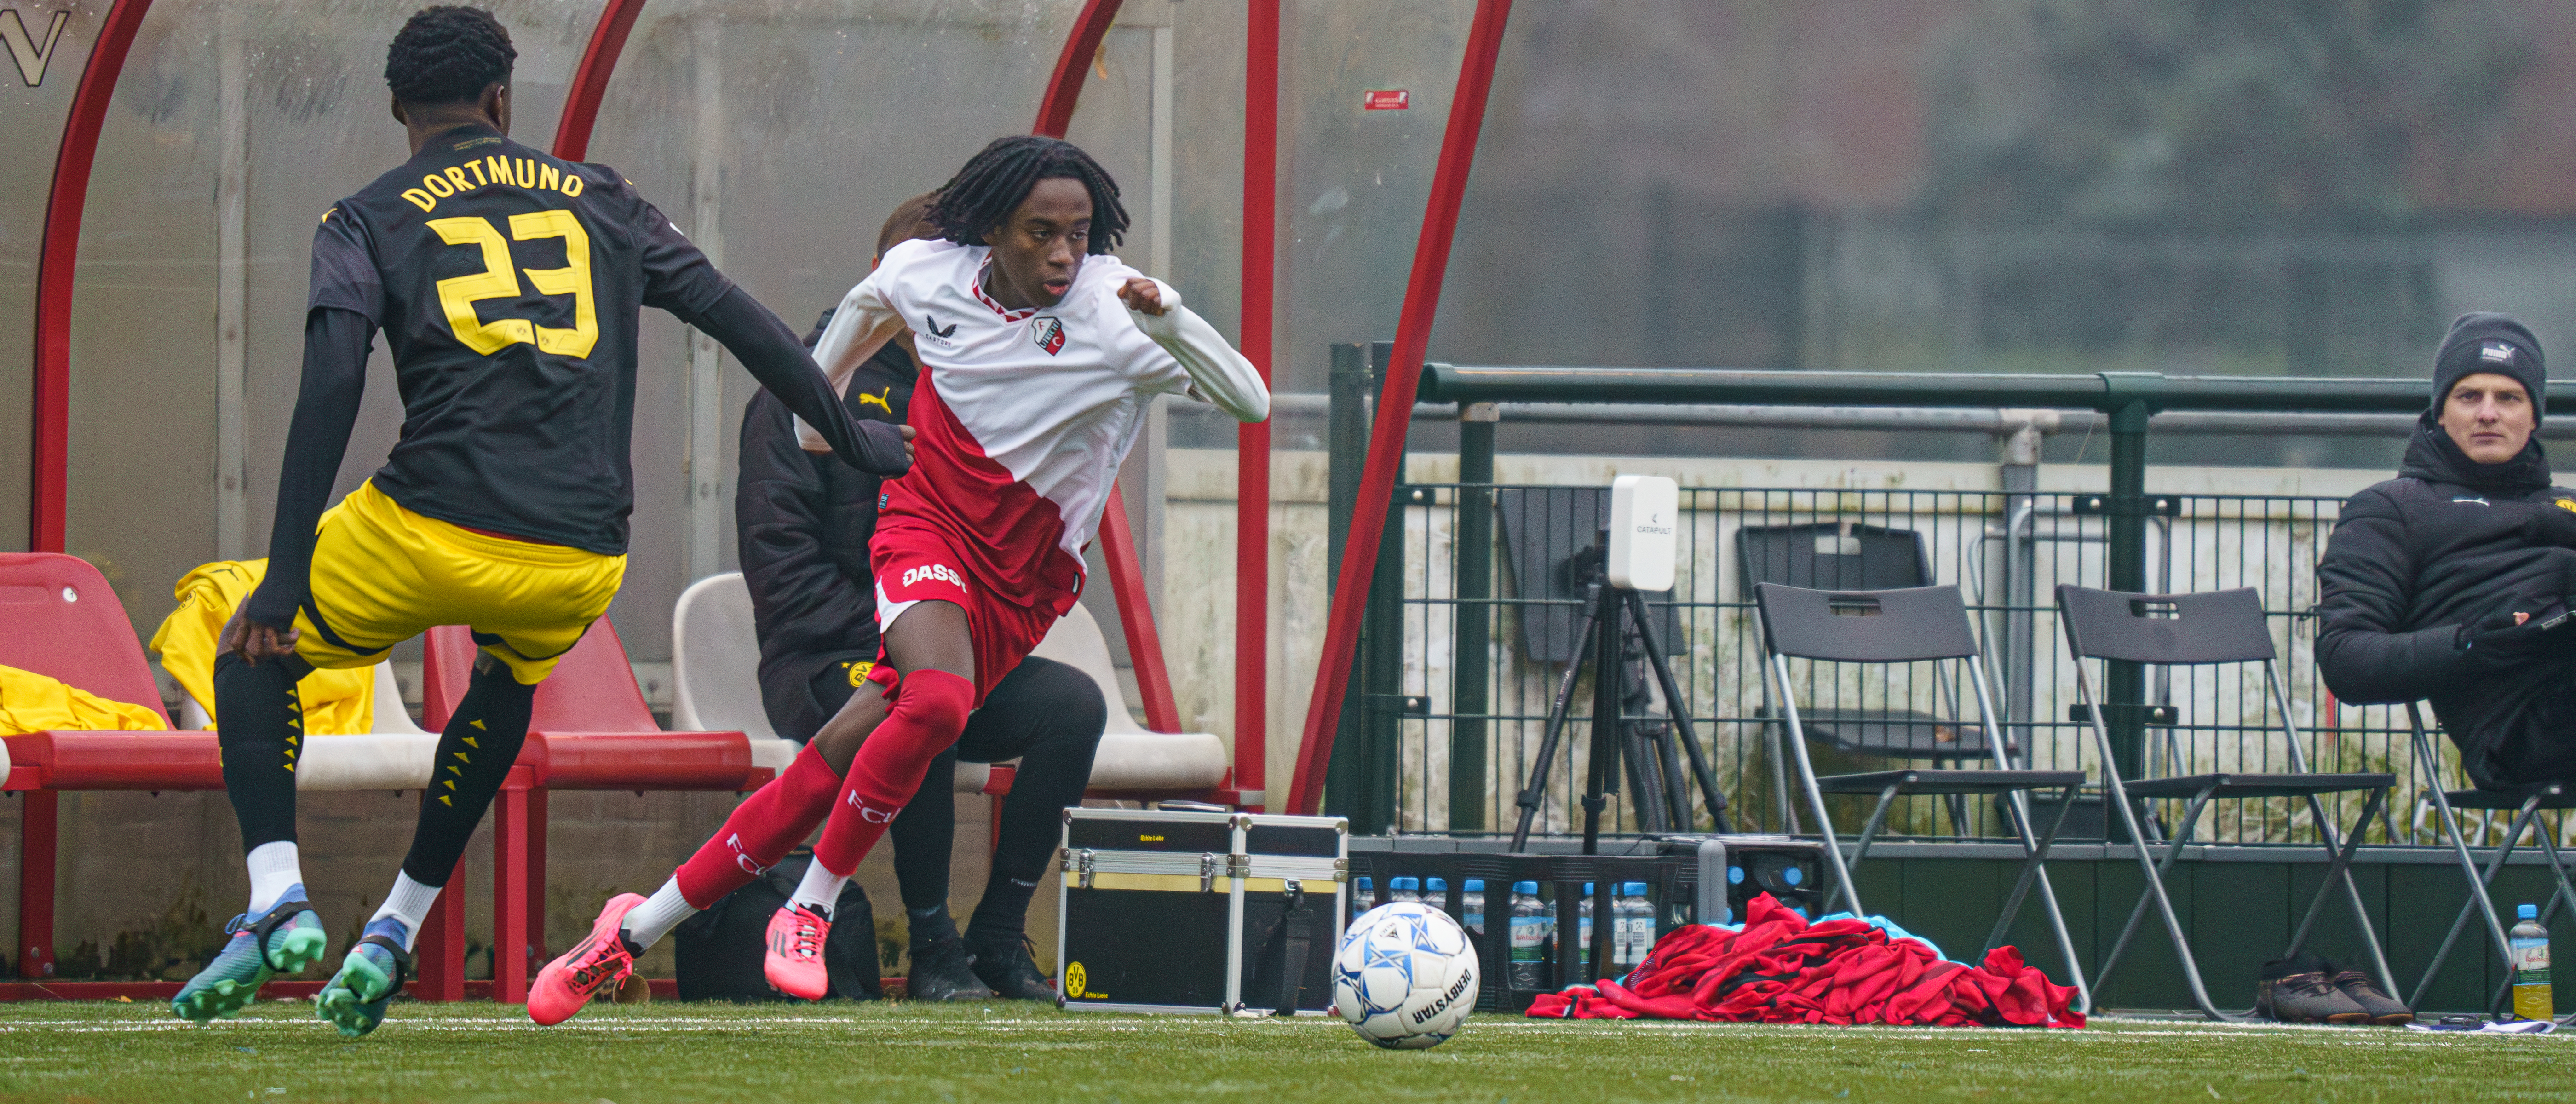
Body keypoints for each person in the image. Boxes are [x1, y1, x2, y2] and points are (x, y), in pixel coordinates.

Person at [174, 5, 909, 1036]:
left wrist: (284, 573)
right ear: (501, 101)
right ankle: (398, 922)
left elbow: (334, 375)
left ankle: (275, 894)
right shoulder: (609, 199)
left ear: (399, 110)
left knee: (252, 651)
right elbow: (741, 317)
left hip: (428, 528)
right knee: (506, 673)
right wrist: (845, 431)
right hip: (580, 555)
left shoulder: (367, 215)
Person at [530, 133, 1268, 1023]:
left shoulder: (1119, 314)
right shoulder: (924, 274)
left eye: (1081, 233)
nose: (1065, 252)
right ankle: (813, 909)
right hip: (920, 538)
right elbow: (813, 400)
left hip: (1021, 587)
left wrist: (1174, 319)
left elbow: (1252, 401)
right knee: (939, 705)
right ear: (991, 231)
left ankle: (629, 930)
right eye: (1043, 232)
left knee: (837, 764)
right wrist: (861, 444)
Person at [733, 193, 1105, 1000]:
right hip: (824, 661)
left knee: (1070, 708)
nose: (963, 290)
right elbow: (780, 569)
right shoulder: (805, 384)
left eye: (971, 272)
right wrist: (909, 641)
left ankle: (999, 940)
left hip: (945, 651)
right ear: (892, 280)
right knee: (925, 702)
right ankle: (932, 944)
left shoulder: (988, 385)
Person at [2318, 312, 2576, 790]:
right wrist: (2471, 643)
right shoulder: (2392, 510)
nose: (2487, 413)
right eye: (2467, 396)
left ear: (2534, 416)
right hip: (2521, 733)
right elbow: (2345, 658)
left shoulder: (2564, 506)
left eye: (2508, 398)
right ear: (2440, 411)